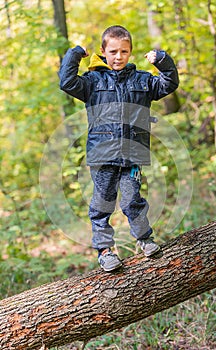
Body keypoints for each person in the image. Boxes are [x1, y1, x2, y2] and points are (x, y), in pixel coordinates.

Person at [59, 25, 179, 272]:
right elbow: (67, 82)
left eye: (124, 51)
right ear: (103, 51)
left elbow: (169, 84)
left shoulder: (142, 80)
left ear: (130, 52)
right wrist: (75, 54)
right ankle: (105, 251)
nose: (118, 57)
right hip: (103, 155)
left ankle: (144, 239)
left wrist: (163, 60)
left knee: (133, 199)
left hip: (133, 155)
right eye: (113, 51)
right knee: (102, 205)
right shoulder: (93, 81)